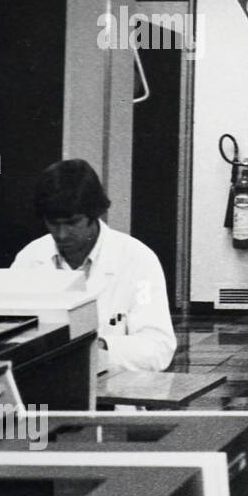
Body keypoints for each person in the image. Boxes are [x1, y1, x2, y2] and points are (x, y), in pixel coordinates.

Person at [12, 159, 176, 373]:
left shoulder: (138, 260)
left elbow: (158, 347)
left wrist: (97, 349)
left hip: (113, 392)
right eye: (53, 223)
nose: (61, 235)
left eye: (72, 223)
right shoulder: (29, 259)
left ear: (95, 214)